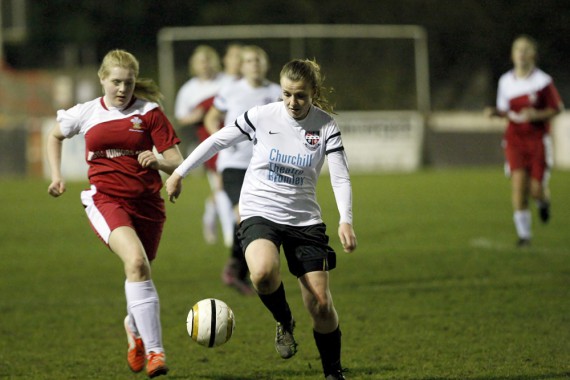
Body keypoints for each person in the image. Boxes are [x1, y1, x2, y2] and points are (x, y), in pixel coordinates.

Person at [166, 59, 357, 380]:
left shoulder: (325, 126)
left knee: (321, 305)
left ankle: (332, 373)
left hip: (304, 219)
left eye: (300, 96)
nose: (292, 103)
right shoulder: (261, 116)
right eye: (286, 95)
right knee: (263, 274)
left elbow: (341, 177)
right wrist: (179, 172)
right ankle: (284, 321)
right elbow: (217, 141)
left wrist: (345, 219)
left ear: (313, 93)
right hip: (259, 210)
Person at [46, 49, 182, 378]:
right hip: (105, 200)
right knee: (135, 262)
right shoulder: (88, 112)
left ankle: (132, 328)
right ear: (102, 79)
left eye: (129, 83)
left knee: (141, 272)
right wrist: (56, 175)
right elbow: (55, 134)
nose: (122, 89)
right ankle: (155, 353)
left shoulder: (150, 113)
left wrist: (159, 162)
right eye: (116, 82)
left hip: (148, 205)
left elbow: (177, 160)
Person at [204, 45, 281, 295]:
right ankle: (237, 266)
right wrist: (221, 140)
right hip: (234, 166)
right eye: (249, 60)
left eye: (258, 60)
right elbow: (211, 118)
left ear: (265, 64)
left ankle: (238, 267)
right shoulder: (231, 90)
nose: (254, 64)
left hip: (263, 166)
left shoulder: (276, 92)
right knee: (243, 214)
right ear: (243, 65)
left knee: (260, 218)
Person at [485, 35, 564, 247]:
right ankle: (524, 236)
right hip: (515, 139)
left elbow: (557, 108)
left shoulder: (543, 82)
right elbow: (505, 111)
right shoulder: (505, 81)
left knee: (536, 189)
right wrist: (494, 112)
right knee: (518, 187)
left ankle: (543, 202)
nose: (521, 53)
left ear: (533, 55)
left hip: (537, 139)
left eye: (525, 49)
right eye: (517, 49)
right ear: (512, 55)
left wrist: (536, 115)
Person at [174, 44, 238, 247]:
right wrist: (198, 115)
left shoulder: (226, 82)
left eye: (208, 60)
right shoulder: (189, 89)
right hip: (209, 141)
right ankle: (230, 235)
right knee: (221, 186)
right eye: (201, 62)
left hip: (235, 139)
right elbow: (181, 117)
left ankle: (212, 214)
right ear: (194, 65)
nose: (205, 65)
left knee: (226, 187)